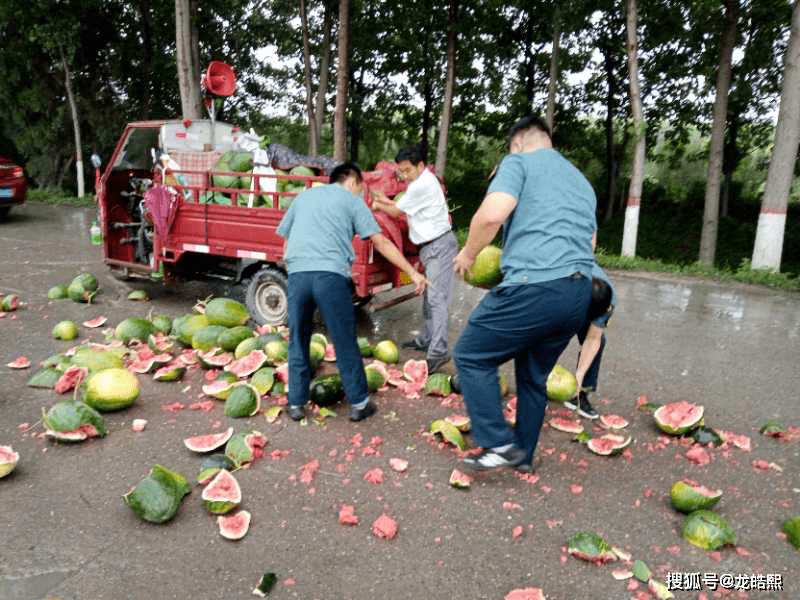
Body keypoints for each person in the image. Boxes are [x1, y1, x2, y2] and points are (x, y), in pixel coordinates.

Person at [452, 115, 597, 472]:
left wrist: (469, 253)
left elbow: (492, 214)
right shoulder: (581, 182)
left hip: (535, 287)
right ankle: (524, 457)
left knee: (470, 355)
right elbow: (591, 242)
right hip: (578, 293)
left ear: (517, 142)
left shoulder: (518, 161)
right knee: (533, 377)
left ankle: (498, 443)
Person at [276, 162, 427, 422]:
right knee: (344, 339)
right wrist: (412, 272)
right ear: (354, 182)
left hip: (299, 275)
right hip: (330, 278)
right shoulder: (352, 201)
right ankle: (359, 403)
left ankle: (296, 404)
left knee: (298, 339)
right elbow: (380, 241)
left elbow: (285, 244)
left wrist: (298, 269)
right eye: (361, 187)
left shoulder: (303, 197)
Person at [371, 145, 459, 374]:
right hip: (431, 247)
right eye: (402, 171)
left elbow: (395, 212)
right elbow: (400, 207)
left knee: (438, 301)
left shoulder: (423, 184)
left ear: (420, 165)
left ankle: (438, 352)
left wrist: (377, 203)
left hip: (438, 246)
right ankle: (426, 340)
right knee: (431, 298)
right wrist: (382, 201)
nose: (405, 175)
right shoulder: (421, 182)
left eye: (408, 170)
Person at [565, 263, 616, 419]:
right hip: (563, 301)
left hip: (584, 303)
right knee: (546, 339)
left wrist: (579, 375)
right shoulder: (563, 281)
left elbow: (593, 339)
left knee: (600, 342)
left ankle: (581, 395)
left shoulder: (608, 299)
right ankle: (535, 389)